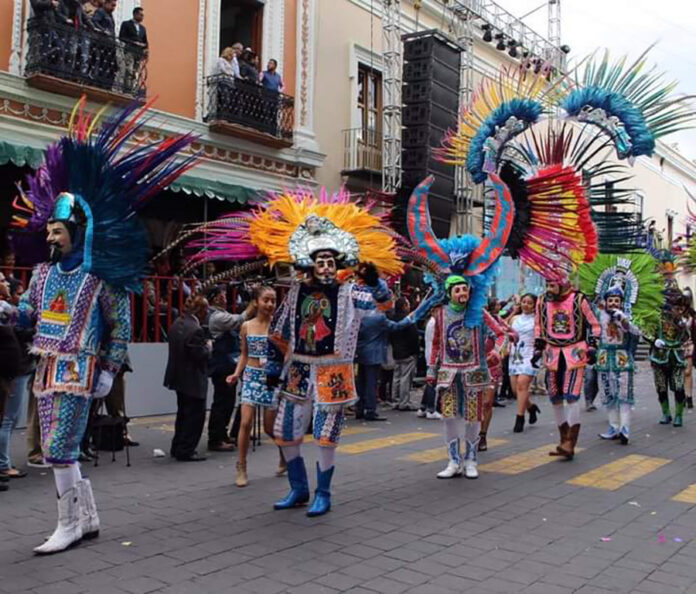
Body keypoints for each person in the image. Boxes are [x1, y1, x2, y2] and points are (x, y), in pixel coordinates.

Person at [11, 96, 195, 554]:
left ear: (78, 230)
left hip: (80, 370)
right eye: (48, 230)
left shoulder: (101, 280)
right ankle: (85, 519)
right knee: (59, 447)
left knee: (58, 448)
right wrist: (7, 312)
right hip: (46, 370)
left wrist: (109, 369)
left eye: (57, 230)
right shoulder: (42, 275)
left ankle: (69, 525)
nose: (50, 237)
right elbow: (30, 316)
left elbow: (121, 327)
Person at [533, 280, 600, 460]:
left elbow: (594, 324)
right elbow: (538, 325)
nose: (549, 289)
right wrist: (537, 348)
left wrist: (592, 346)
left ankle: (571, 441)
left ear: (562, 284)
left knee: (571, 396)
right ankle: (563, 440)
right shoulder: (542, 301)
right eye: (546, 284)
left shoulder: (579, 300)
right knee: (555, 397)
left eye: (552, 285)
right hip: (551, 354)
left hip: (574, 353)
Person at [227, 286, 285, 487]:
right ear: (256, 302)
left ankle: (284, 455)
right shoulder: (246, 326)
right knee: (245, 423)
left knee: (270, 428)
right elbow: (244, 354)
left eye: (273, 301)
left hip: (270, 380)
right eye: (266, 300)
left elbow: (286, 355)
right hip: (251, 377)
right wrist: (236, 373)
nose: (270, 304)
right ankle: (241, 466)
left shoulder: (278, 327)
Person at [164, 296, 212, 462]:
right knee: (194, 417)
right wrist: (208, 348)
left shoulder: (177, 323)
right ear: (200, 310)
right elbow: (200, 355)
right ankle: (186, 450)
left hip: (178, 376)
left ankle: (177, 446)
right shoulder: (196, 330)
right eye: (206, 310)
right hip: (193, 379)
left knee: (182, 413)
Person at [207, 285, 251, 452]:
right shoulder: (217, 316)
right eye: (222, 294)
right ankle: (216, 438)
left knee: (227, 401)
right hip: (221, 366)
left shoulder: (220, 314)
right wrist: (252, 306)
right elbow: (238, 320)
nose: (225, 296)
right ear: (216, 298)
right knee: (222, 402)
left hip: (227, 365)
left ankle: (222, 434)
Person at [650, 295, 690, 427]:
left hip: (677, 357)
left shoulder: (683, 322)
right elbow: (646, 331)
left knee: (679, 387)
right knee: (661, 387)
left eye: (681, 309)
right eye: (677, 308)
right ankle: (666, 413)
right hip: (659, 357)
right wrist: (653, 340)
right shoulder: (657, 319)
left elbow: (687, 338)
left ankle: (679, 415)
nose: (679, 312)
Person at [508, 293, 541, 433]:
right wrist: (513, 312)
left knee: (522, 385)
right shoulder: (515, 318)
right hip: (515, 355)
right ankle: (531, 407)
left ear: (534, 306)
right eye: (523, 302)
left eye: (529, 303)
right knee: (516, 390)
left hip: (530, 354)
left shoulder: (538, 320)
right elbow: (503, 327)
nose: (525, 305)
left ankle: (519, 418)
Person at [390, 297, 420, 411]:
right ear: (404, 306)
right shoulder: (408, 321)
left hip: (396, 352)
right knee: (405, 378)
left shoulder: (392, 319)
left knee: (396, 377)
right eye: (407, 304)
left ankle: (395, 400)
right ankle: (404, 402)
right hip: (408, 353)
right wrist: (415, 352)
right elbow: (414, 337)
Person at [118, 6, 148, 95]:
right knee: (129, 70)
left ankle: (133, 90)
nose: (142, 17)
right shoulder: (126, 24)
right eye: (141, 15)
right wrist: (134, 42)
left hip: (138, 52)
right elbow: (121, 37)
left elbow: (145, 41)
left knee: (136, 72)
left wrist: (146, 49)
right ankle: (127, 89)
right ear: (135, 14)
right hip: (130, 50)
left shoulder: (143, 28)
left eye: (143, 16)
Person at [416, 316, 441, 420]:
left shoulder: (431, 322)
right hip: (433, 357)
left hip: (431, 356)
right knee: (432, 383)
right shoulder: (435, 323)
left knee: (430, 381)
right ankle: (430, 410)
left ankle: (423, 407)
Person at [91, 0, 117, 89]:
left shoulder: (110, 15)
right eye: (112, 5)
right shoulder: (100, 11)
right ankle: (97, 81)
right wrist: (103, 31)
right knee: (100, 62)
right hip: (101, 42)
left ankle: (106, 84)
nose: (114, 8)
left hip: (110, 44)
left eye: (115, 6)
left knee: (110, 65)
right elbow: (94, 22)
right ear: (106, 3)